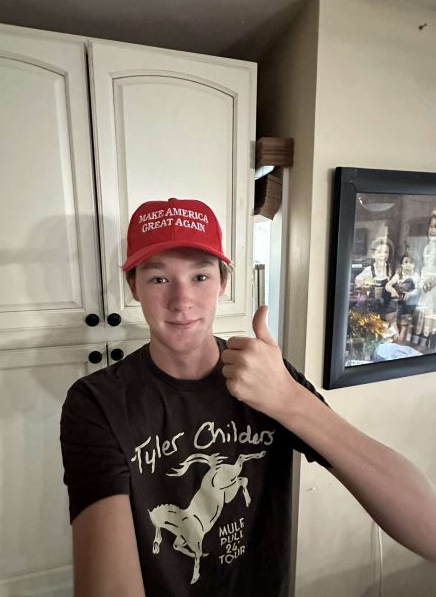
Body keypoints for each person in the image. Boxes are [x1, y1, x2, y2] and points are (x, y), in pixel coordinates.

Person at [61, 198, 436, 597]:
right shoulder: (98, 402)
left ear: (223, 282)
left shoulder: (269, 378)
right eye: (159, 279)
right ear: (133, 286)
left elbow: (428, 527)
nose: (182, 300)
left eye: (200, 277)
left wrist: (289, 399)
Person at [384, 253, 420, 343]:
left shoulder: (416, 276)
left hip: (408, 303)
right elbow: (388, 285)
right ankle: (396, 333)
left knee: (406, 318)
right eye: (406, 262)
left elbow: (418, 290)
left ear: (414, 265)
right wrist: (392, 290)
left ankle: (402, 334)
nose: (408, 265)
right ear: (402, 264)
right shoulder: (399, 274)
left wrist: (409, 294)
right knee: (390, 313)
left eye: (411, 263)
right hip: (397, 300)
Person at [354, 237, 393, 315]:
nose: (383, 255)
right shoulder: (369, 270)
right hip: (371, 308)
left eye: (386, 252)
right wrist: (365, 283)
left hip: (386, 307)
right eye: (379, 252)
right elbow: (357, 281)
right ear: (373, 255)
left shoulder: (391, 270)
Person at [415, 213, 436, 349]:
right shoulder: (427, 246)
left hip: (434, 285)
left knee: (432, 312)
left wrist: (431, 283)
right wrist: (422, 283)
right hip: (425, 284)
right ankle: (425, 343)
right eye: (431, 226)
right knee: (424, 312)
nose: (433, 230)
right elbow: (424, 266)